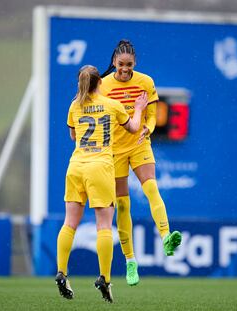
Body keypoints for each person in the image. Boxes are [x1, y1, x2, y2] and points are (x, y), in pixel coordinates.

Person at [55, 65, 148, 303]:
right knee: (104, 226)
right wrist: (138, 109)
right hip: (100, 166)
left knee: (69, 223)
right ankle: (104, 278)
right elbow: (134, 127)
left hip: (76, 166)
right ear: (100, 83)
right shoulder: (111, 104)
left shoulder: (74, 106)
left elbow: (74, 135)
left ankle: (62, 272)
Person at [100, 40, 182, 286]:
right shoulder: (103, 86)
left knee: (151, 188)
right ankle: (130, 261)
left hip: (138, 144)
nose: (125, 69)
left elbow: (152, 115)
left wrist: (148, 128)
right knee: (122, 207)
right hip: (114, 151)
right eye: (121, 64)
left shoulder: (145, 82)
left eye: (129, 65)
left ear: (135, 63)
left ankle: (166, 236)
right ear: (114, 61)